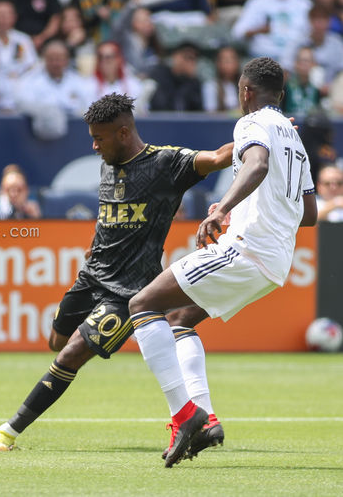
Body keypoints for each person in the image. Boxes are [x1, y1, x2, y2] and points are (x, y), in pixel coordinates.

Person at [0, 93, 233, 455]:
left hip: (129, 291)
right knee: (56, 339)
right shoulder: (108, 163)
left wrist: (262, 136)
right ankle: (195, 409)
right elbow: (113, 214)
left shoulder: (165, 164)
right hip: (92, 275)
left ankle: (6, 434)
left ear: (124, 132)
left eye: (99, 138)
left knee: (69, 355)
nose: (94, 146)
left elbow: (219, 157)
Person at [127, 57, 317, 467]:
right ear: (280, 94)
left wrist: (222, 208)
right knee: (179, 318)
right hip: (276, 261)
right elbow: (311, 213)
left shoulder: (250, 122)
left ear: (246, 91)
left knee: (141, 305)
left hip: (246, 249)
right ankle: (206, 419)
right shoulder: (293, 138)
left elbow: (257, 164)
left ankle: (185, 416)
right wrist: (248, 209)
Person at [231, 0, 311, 72]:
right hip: (262, 61)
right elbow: (237, 33)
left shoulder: (304, 4)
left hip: (294, 63)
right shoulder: (257, 2)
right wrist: (257, 30)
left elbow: (311, 35)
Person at [15, 39, 88, 116]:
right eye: (51, 59)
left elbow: (87, 106)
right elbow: (24, 105)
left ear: (66, 60)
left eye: (59, 59)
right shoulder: (29, 81)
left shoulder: (78, 81)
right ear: (44, 59)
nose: (55, 63)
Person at [80, 40, 144, 108]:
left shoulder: (134, 86)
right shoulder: (86, 87)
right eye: (101, 57)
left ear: (119, 59)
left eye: (109, 57)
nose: (105, 61)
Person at [148, 42, 204, 112]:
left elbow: (198, 112)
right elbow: (160, 105)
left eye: (193, 59)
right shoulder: (160, 74)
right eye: (186, 57)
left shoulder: (194, 83)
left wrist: (189, 81)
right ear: (175, 56)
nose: (189, 62)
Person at [282, 46, 321, 117]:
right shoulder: (286, 87)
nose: (305, 64)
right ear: (295, 63)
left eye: (308, 61)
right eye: (302, 60)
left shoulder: (316, 90)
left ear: (313, 64)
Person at [202, 46, 241, 113]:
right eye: (226, 61)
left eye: (232, 60)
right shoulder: (211, 86)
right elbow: (211, 113)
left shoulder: (244, 86)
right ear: (218, 63)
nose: (229, 64)